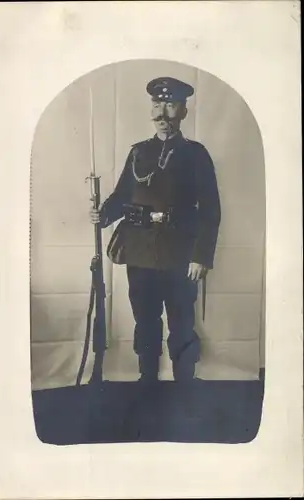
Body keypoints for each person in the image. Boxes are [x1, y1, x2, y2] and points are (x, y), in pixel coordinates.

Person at [90, 76, 221, 383]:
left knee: (181, 321)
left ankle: (183, 387)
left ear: (183, 112)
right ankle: (147, 382)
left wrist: (201, 256)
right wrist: (103, 214)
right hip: (140, 250)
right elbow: (122, 196)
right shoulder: (138, 152)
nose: (164, 117)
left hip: (181, 252)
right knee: (145, 320)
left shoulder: (196, 154)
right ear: (152, 112)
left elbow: (211, 210)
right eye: (158, 108)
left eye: (171, 107)